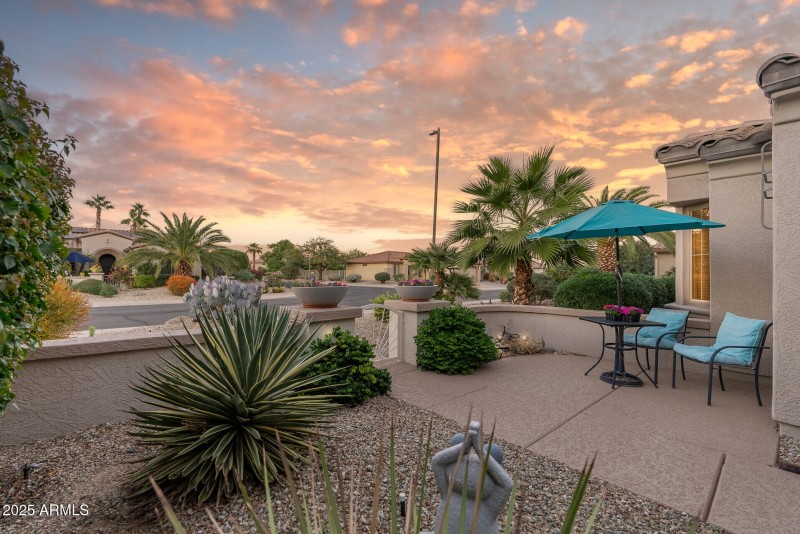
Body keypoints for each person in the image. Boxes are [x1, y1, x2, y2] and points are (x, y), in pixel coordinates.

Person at [430, 421, 513, 533]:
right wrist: (464, 446)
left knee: (494, 450)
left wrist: (481, 451)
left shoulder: (489, 504)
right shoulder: (448, 492)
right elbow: (436, 462)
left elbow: (507, 484)